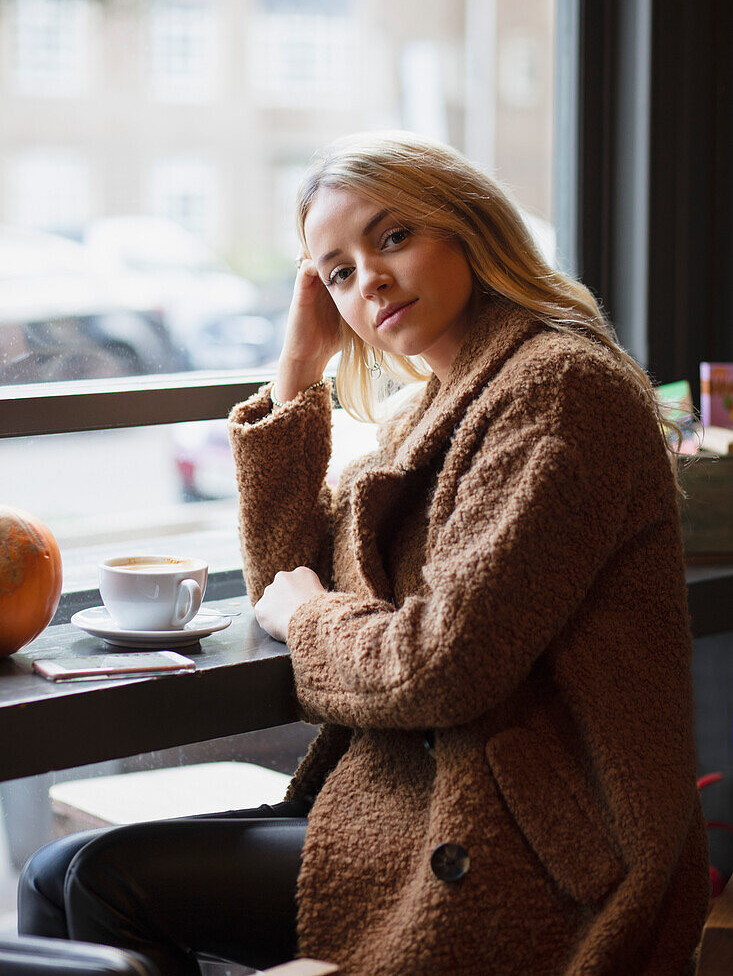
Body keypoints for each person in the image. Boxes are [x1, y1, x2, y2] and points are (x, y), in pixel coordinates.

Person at [18, 131, 709, 975]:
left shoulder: (559, 387)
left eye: (391, 238)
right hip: (422, 800)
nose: (367, 280)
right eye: (337, 271)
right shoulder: (434, 409)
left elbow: (440, 664)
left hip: (534, 847)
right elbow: (286, 573)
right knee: (57, 878)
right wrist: (298, 373)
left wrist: (309, 617)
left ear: (469, 226)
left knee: (96, 880)